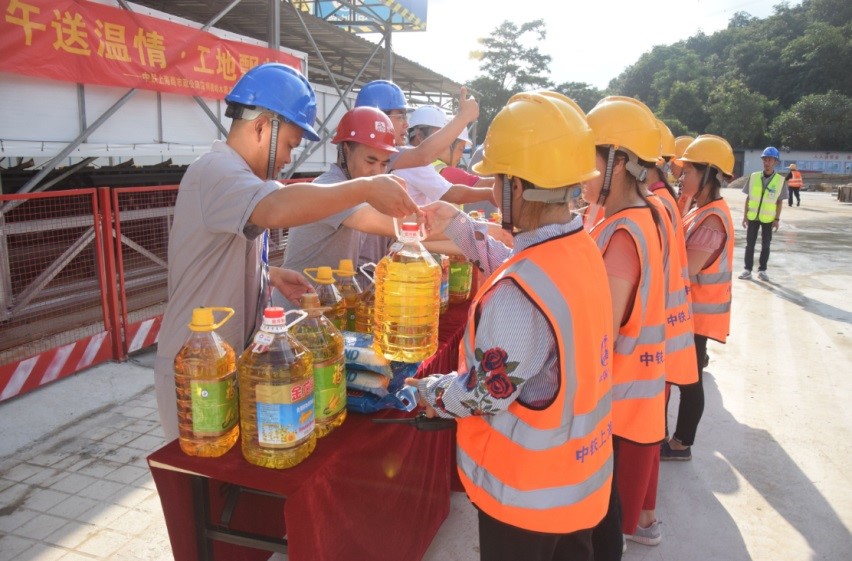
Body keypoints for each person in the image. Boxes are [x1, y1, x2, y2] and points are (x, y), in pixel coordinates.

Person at [154, 64, 418, 440]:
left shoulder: (237, 178)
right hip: (198, 370)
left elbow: (216, 254)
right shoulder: (215, 170)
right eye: (291, 145)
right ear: (263, 127)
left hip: (225, 360)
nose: (288, 158)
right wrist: (365, 188)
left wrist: (269, 274)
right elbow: (276, 207)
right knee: (202, 469)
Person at [408, 91, 614, 561]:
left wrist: (430, 392)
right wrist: (460, 226)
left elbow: (485, 393)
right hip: (579, 481)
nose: (494, 187)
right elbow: (527, 269)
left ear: (516, 187)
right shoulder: (580, 248)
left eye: (498, 179)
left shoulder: (519, 294)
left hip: (527, 499)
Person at [584, 96, 668, 556]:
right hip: (625, 397)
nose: (579, 172)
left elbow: (602, 327)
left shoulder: (623, 233)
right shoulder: (636, 217)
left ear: (617, 163)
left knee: (601, 525)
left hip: (614, 403)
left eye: (588, 159)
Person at [279, 106, 412, 291]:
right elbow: (399, 226)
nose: (377, 172)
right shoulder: (330, 187)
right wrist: (448, 225)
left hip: (329, 302)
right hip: (299, 305)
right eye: (370, 161)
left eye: (383, 164)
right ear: (347, 149)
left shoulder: (359, 193)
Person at [661, 135, 735, 461]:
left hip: (698, 315)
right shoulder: (700, 209)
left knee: (690, 381)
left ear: (709, 174)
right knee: (688, 378)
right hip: (690, 312)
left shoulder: (713, 218)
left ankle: (681, 444)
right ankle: (681, 440)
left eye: (689, 171)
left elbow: (687, 268)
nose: (681, 177)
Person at [739, 146, 786, 282]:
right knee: (750, 244)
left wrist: (777, 219)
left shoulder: (780, 180)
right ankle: (747, 269)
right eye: (765, 159)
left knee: (766, 245)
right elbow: (748, 198)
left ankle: (762, 270)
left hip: (768, 218)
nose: (767, 162)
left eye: (770, 160)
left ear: (775, 162)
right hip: (753, 216)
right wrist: (745, 216)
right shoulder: (754, 177)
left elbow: (779, 202)